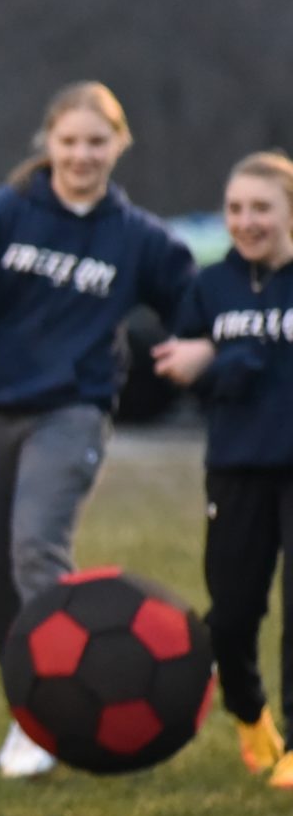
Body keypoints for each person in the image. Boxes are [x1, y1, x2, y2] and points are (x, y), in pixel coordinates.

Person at [0, 81, 197, 777]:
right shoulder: (5, 211)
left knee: (35, 551)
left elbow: (199, 306)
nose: (82, 155)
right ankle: (35, 709)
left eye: (96, 142)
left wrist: (200, 348)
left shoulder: (137, 238)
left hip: (72, 408)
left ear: (118, 146)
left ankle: (65, 716)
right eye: (71, 141)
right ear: (49, 143)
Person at [151, 151, 293, 784]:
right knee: (231, 614)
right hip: (236, 468)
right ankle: (250, 714)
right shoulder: (210, 287)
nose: (246, 221)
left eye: (261, 207)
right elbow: (187, 374)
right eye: (235, 208)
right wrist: (219, 366)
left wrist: (234, 355)